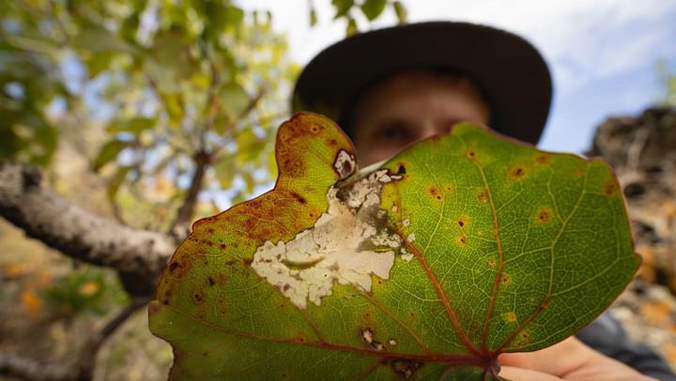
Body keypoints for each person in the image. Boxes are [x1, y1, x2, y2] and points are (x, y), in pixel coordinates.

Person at [291, 22, 675, 380]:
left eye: (460, 134)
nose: (428, 152)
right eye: (393, 131)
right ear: (346, 164)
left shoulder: (552, 311)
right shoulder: (288, 302)